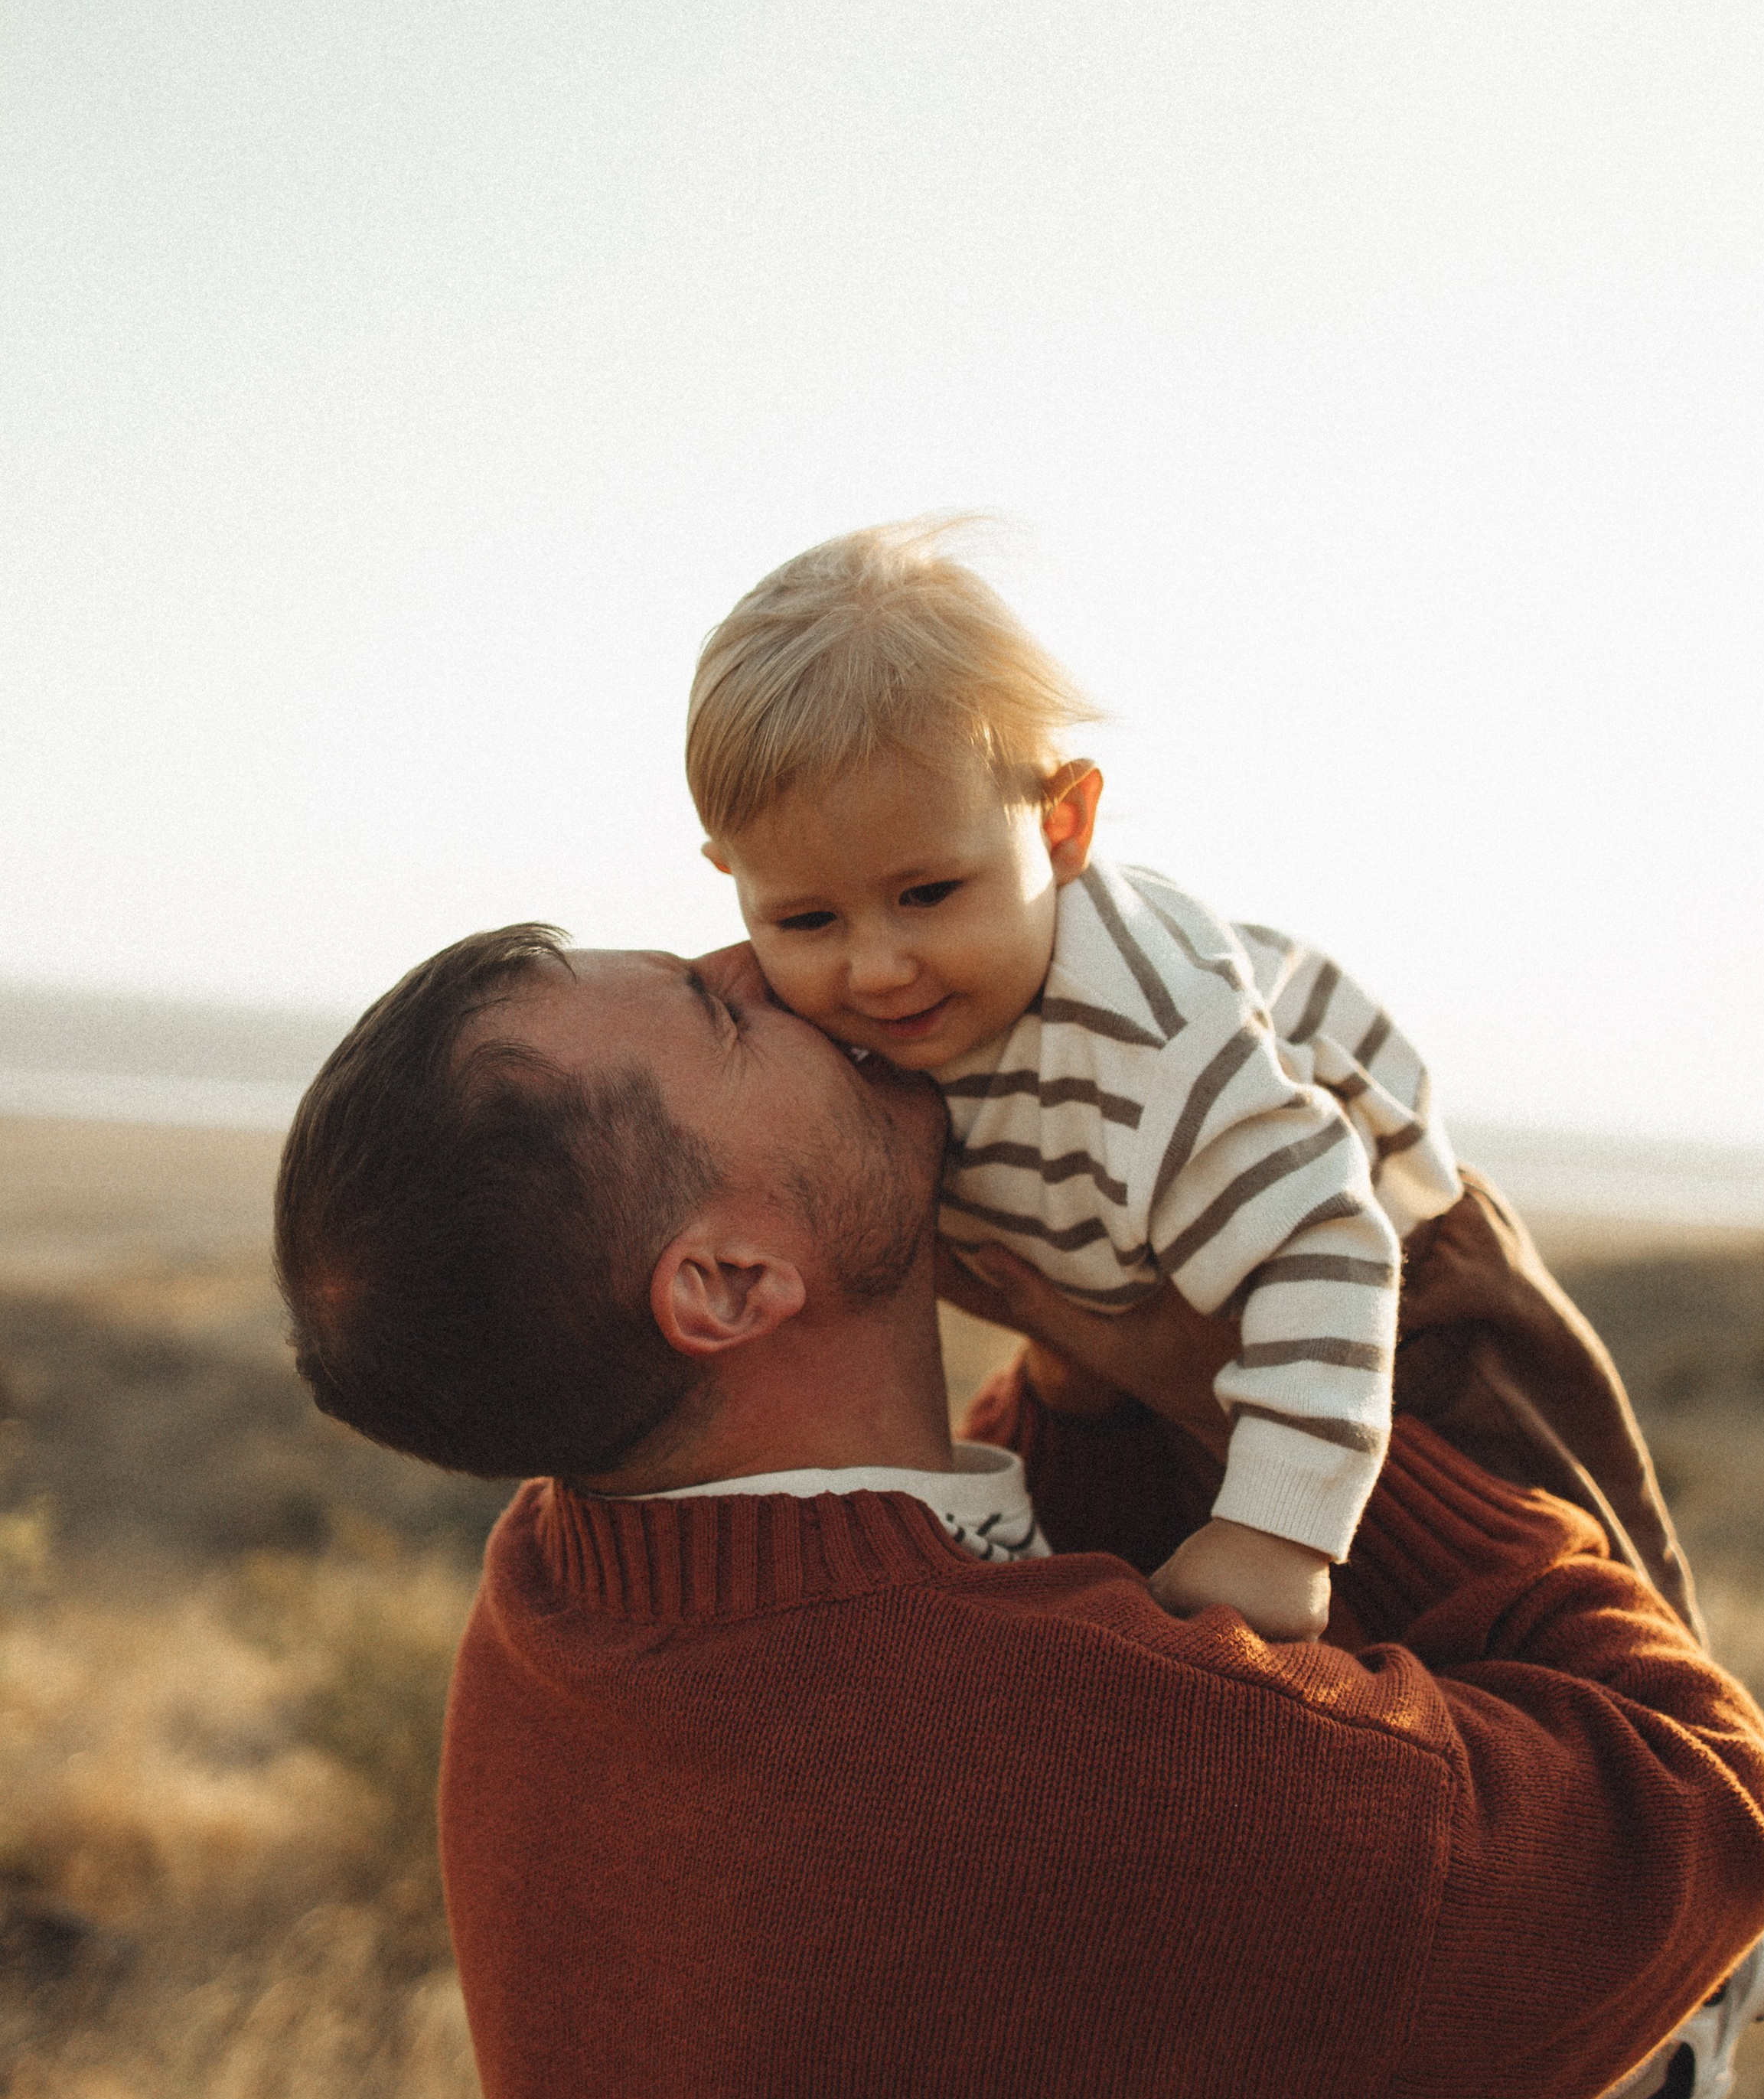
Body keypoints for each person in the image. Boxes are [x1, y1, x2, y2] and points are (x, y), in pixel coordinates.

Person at [274, 923, 1764, 2099]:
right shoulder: (1066, 1775)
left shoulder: (558, 1603)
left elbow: (997, 1614)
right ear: (732, 1281)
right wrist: (1303, 1437)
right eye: (716, 1013)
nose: (761, 956)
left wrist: (1098, 1388)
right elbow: (1701, 1803)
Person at [686, 519, 1701, 1641]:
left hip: (1401, 1301)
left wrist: (1276, 1534)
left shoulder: (1160, 1031)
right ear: (735, 881)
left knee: (1565, 1589)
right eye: (808, 917)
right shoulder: (814, 1011)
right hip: (1176, 1298)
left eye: (929, 894)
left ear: (1062, 825)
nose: (877, 967)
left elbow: (1329, 1249)